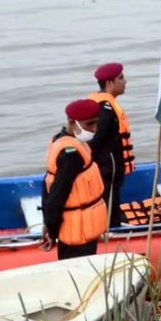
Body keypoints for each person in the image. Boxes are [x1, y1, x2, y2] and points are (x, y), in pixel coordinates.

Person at [43, 99, 110, 259]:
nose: (94, 129)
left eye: (96, 123)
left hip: (82, 228)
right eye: (89, 124)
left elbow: (47, 185)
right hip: (78, 232)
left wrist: (47, 223)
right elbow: (56, 196)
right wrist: (51, 231)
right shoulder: (71, 155)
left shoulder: (63, 140)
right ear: (73, 123)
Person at [88, 62, 134, 227]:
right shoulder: (105, 110)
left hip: (110, 171)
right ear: (109, 83)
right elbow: (95, 142)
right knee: (109, 214)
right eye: (121, 78)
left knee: (113, 207)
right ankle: (111, 230)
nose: (125, 81)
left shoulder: (105, 105)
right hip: (106, 172)